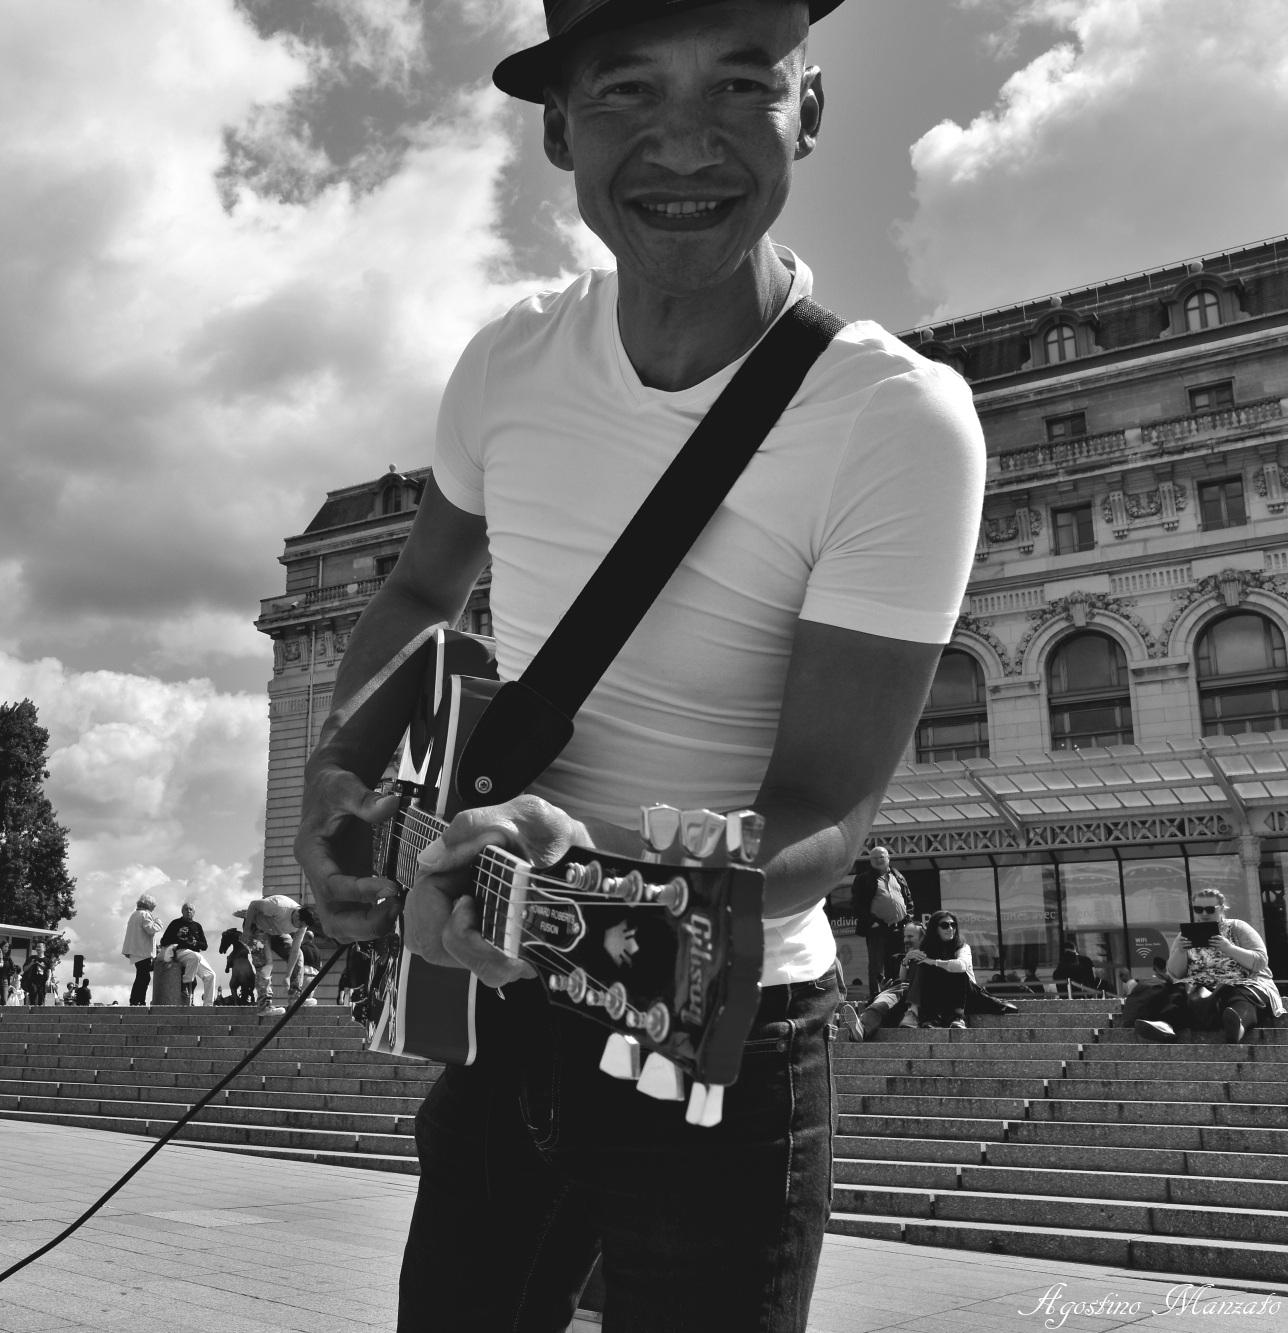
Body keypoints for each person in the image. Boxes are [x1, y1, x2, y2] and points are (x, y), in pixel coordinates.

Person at [292, 3, 984, 1327]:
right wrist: (340, 765)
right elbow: (423, 589)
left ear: (809, 111)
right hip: (507, 1007)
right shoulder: (507, 360)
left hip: (724, 1034)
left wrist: (575, 875)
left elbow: (824, 810)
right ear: (558, 130)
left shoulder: (898, 422)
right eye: (625, 93)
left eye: (737, 85)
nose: (682, 142)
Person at [1135, 887, 1282, 1043]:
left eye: (1210, 909)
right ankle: (1166, 1025)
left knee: (1242, 995)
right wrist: (1180, 951)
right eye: (1199, 909)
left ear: (1221, 908)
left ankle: (1237, 1025)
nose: (1204, 914)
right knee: (1178, 992)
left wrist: (1229, 948)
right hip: (1198, 987)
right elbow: (1175, 974)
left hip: (1241, 982)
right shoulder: (1185, 935)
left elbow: (1260, 961)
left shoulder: (1238, 927)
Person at [849, 846, 912, 995]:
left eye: (881, 857)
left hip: (899, 928)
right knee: (877, 968)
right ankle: (877, 999)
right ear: (870, 861)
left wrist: (908, 920)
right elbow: (856, 904)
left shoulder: (898, 876)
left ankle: (898, 998)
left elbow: (908, 900)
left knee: (898, 965)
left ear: (888, 858)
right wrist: (872, 923)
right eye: (874, 858)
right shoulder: (863, 879)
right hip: (878, 929)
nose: (878, 860)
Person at [239, 896, 313, 1018]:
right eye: (299, 925)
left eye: (302, 927)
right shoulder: (279, 906)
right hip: (256, 927)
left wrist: (288, 976)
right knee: (265, 964)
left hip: (276, 931)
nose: (299, 928)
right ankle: (264, 1006)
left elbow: (294, 950)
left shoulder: (302, 925)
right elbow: (253, 905)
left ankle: (295, 998)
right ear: (297, 915)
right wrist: (246, 930)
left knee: (299, 955)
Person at [904, 912, 973, 1029]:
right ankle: (915, 1012)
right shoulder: (928, 949)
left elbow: (962, 966)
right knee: (919, 961)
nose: (950, 929)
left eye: (953, 925)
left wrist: (933, 962)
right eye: (945, 925)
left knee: (956, 969)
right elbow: (903, 978)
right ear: (934, 928)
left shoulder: (962, 946)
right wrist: (907, 958)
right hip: (942, 995)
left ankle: (959, 1017)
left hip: (967, 995)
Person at [158, 903, 217, 1006]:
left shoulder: (197, 926)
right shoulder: (175, 923)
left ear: (194, 912)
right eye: (186, 909)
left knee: (210, 975)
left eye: (190, 909)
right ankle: (185, 982)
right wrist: (177, 935)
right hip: (180, 951)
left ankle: (208, 1005)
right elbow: (163, 941)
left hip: (194, 954)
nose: (188, 911)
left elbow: (204, 945)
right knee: (195, 957)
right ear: (182, 911)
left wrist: (194, 943)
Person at [122, 895, 161, 1006]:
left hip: (136, 949)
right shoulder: (145, 914)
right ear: (148, 905)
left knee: (143, 976)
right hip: (142, 950)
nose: (153, 909)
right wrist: (158, 922)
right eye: (153, 906)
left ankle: (138, 1000)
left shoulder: (134, 915)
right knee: (143, 977)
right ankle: (137, 1000)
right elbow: (151, 929)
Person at [220, 923, 256, 1004]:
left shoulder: (235, 938)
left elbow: (225, 943)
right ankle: (251, 992)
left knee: (229, 958)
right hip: (245, 954)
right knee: (253, 977)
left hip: (239, 953)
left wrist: (228, 966)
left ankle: (227, 967)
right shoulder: (242, 937)